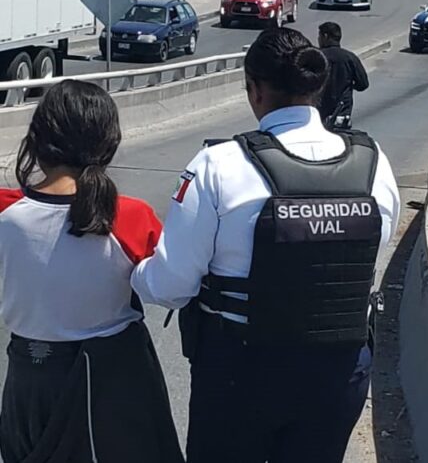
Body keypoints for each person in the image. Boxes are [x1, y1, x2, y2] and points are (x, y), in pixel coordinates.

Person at [131, 28, 400, 463]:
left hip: (240, 374)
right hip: (339, 374)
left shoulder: (218, 166)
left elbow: (171, 286)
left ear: (254, 90)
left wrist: (134, 271)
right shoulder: (373, 163)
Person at [0, 80, 184, 463]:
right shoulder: (128, 216)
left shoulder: (7, 212)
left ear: (37, 140)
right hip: (113, 381)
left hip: (28, 378)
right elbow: (171, 289)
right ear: (108, 143)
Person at [317, 21, 370, 129]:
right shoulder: (350, 57)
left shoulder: (317, 57)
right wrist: (348, 86)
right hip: (342, 114)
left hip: (319, 114)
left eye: (319, 36)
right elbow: (363, 84)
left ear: (325, 36)